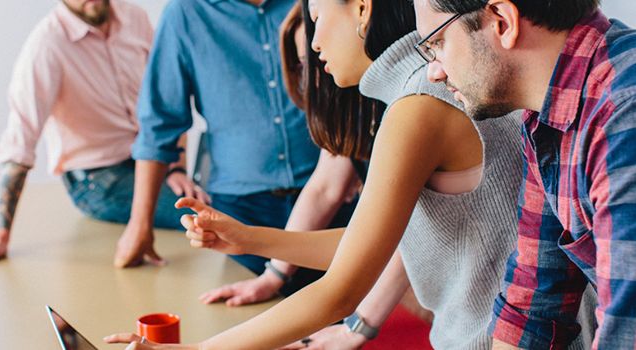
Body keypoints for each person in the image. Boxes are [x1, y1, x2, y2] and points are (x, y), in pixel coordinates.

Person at [105, 0, 588, 348]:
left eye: (317, 19)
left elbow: (340, 291)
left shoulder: (419, 104)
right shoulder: (423, 90)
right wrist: (250, 238)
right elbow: (378, 242)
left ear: (361, 9)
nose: (312, 42)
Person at [412, 0, 636, 348]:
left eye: (437, 43)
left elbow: (626, 334)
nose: (434, 72)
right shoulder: (545, 118)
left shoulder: (625, 112)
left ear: (502, 20)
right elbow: (532, 304)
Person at [0, 0, 202, 269]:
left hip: (152, 162)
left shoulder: (135, 18)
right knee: (202, 215)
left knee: (216, 203)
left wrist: (176, 168)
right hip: (98, 179)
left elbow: (167, 101)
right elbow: (20, 140)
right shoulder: (47, 44)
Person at [112, 0, 325, 300]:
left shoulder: (314, 3)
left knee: (336, 325)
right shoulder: (185, 14)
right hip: (240, 210)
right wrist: (140, 223)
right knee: (251, 322)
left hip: (330, 198)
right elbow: (159, 124)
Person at [196, 3, 365, 307]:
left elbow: (387, 246)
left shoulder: (403, 106)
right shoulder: (355, 113)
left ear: (363, 12)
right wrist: (272, 275)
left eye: (315, 58)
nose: (317, 54)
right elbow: (326, 189)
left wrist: (355, 329)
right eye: (303, 64)